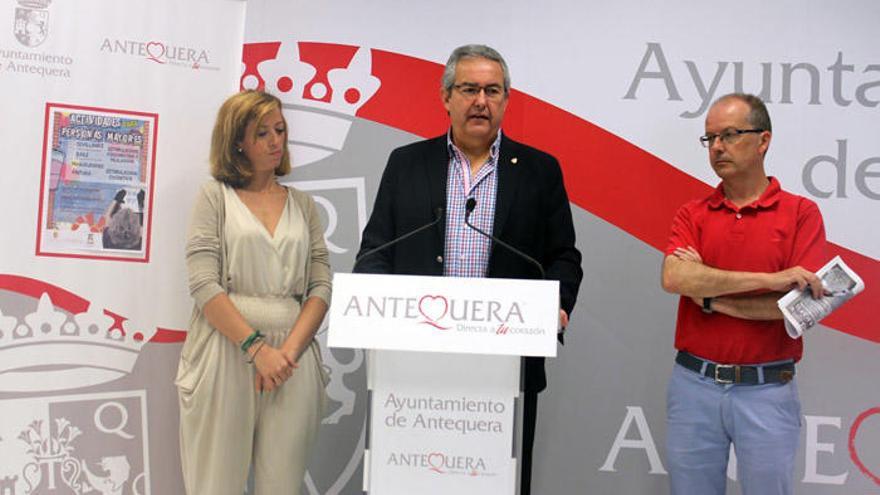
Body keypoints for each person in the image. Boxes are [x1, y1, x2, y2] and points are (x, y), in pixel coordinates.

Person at [356, 44, 583, 495]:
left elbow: (563, 257)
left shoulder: (539, 170)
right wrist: (378, 310)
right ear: (446, 97)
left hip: (505, 367)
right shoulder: (407, 163)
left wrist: (555, 302)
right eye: (469, 89)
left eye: (492, 90)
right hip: (414, 366)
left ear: (506, 100)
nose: (481, 100)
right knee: (412, 480)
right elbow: (374, 254)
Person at [661, 93, 828, 495]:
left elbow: (795, 309)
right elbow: (674, 277)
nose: (717, 147)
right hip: (693, 384)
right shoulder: (693, 213)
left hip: (767, 388)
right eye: (710, 138)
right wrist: (772, 280)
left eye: (730, 135)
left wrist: (710, 296)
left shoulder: (801, 214)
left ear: (763, 140)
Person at [175, 90, 331, 495]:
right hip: (226, 349)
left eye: (280, 130)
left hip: (291, 359)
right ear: (237, 141)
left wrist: (286, 354)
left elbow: (321, 284)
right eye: (262, 132)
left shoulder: (303, 204)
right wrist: (257, 349)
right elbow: (203, 284)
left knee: (282, 486)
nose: (276, 141)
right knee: (215, 484)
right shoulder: (215, 198)